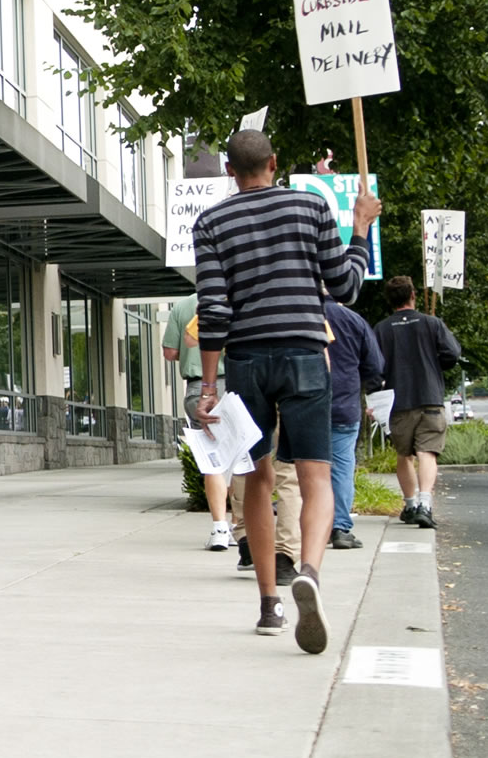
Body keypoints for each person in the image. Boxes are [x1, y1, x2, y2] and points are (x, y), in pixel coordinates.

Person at [193, 129, 380, 654]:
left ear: (229, 171)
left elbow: (214, 311)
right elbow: (344, 287)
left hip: (247, 361)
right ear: (275, 162)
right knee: (315, 475)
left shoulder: (211, 222)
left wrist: (209, 387)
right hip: (304, 353)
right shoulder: (311, 206)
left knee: (256, 475)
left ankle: (269, 605)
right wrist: (360, 228)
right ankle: (311, 574)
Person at [373, 275, 461, 529]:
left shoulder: (381, 329)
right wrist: (437, 365)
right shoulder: (432, 323)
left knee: (404, 454)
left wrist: (374, 398)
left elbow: (374, 367)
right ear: (412, 295)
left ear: (390, 300)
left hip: (397, 401)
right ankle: (426, 504)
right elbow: (452, 353)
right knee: (427, 452)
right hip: (430, 397)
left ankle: (410, 504)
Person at [163, 292, 231, 550]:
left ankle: (220, 528)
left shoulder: (182, 307)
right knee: (240, 460)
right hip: (235, 384)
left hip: (198, 388)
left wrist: (193, 355)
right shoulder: (238, 297)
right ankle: (243, 527)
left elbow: (170, 353)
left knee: (212, 459)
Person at [325, 294, 384, 548]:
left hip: (302, 405)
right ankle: (339, 527)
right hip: (344, 404)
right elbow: (375, 365)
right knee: (341, 467)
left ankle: (303, 525)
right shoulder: (354, 320)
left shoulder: (298, 315)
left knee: (301, 470)